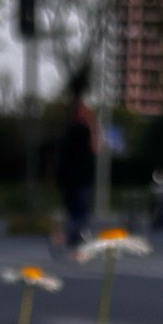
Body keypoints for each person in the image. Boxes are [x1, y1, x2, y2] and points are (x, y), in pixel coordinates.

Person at [56, 73, 97, 253]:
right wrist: (92, 126)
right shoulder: (84, 130)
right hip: (80, 178)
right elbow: (94, 147)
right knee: (80, 212)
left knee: (74, 212)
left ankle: (72, 240)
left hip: (69, 178)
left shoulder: (68, 130)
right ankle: (74, 239)